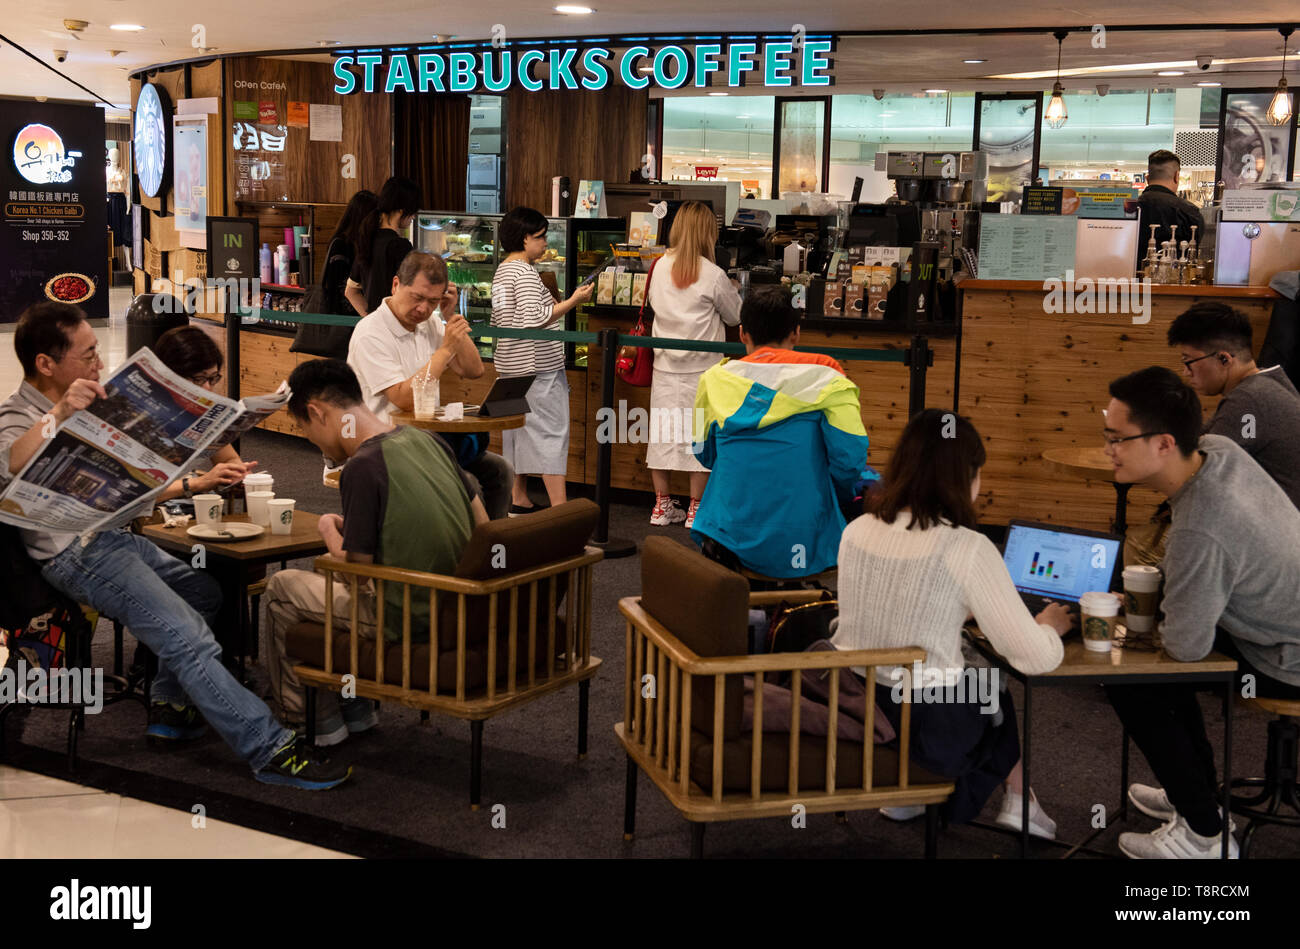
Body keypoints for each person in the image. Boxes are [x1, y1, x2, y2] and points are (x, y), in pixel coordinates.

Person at [0, 302, 347, 789]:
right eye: (88, 355)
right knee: (189, 638)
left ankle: (171, 704)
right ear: (45, 363)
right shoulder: (16, 415)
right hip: (76, 552)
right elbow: (15, 463)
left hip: (113, 538)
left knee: (204, 593)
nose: (99, 363)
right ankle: (270, 749)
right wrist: (60, 412)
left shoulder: (95, 399)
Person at [831, 409, 1072, 836]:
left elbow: (890, 606)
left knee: (972, 676)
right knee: (988, 683)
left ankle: (915, 801)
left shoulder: (857, 530)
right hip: (924, 726)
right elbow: (1035, 659)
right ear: (965, 477)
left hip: (857, 702)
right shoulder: (968, 547)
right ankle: (1019, 799)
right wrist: (1052, 626)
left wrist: (953, 605)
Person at [1101, 367, 1300, 858]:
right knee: (1157, 667)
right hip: (1283, 620)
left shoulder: (1200, 529)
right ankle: (1200, 799)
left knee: (1135, 678)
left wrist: (1134, 626)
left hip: (1289, 657)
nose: (1108, 450)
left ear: (1165, 443)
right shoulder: (1219, 451)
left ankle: (1206, 835)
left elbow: (1185, 648)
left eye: (1117, 439)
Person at [263, 359, 487, 741]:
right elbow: (483, 526)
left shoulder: (362, 467)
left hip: (409, 614)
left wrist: (327, 530)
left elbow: (357, 571)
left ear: (316, 412)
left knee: (281, 590)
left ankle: (306, 721)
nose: (311, 440)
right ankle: (355, 705)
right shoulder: (425, 438)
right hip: (459, 600)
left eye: (304, 428)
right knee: (320, 580)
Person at [691, 285, 875, 577]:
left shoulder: (712, 381)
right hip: (805, 536)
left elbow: (704, 453)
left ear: (742, 334)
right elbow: (849, 460)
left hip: (726, 538)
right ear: (796, 333)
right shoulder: (829, 377)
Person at [347, 250, 513, 519]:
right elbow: (403, 399)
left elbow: (473, 370)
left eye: (433, 302)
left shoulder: (432, 322)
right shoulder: (371, 332)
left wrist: (449, 317)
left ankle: (493, 553)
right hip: (385, 446)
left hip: (427, 442)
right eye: (417, 298)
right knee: (466, 485)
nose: (423, 309)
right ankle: (463, 555)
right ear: (396, 284)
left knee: (501, 470)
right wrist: (445, 351)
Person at [642, 200, 741, 527]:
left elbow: (654, 306)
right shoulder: (713, 274)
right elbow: (735, 315)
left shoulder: (657, 268)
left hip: (665, 365)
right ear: (706, 233)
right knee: (700, 436)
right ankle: (696, 508)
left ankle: (661, 506)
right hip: (703, 370)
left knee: (663, 435)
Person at [490, 207, 593, 515]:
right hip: (538, 368)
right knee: (551, 432)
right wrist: (573, 301)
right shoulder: (524, 273)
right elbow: (535, 318)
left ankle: (518, 497)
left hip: (508, 365)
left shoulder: (501, 270)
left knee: (516, 432)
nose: (545, 242)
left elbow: (501, 319)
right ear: (524, 239)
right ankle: (560, 510)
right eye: (540, 237)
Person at [1167, 301, 1300, 508]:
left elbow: (1201, 469)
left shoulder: (1250, 399)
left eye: (1188, 361)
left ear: (1224, 359)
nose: (1185, 372)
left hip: (1276, 532)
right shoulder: (1268, 383)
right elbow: (1204, 440)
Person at [152, 325, 257, 502]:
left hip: (190, 509)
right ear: (170, 374)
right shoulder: (142, 410)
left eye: (213, 378)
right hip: (145, 517)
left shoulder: (203, 413)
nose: (207, 387)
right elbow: (130, 496)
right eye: (199, 379)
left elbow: (229, 458)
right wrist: (197, 483)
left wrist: (236, 472)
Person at [294, 188, 377, 358]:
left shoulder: (356, 243)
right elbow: (337, 287)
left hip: (352, 324)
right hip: (343, 325)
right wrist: (362, 313)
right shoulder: (342, 244)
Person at [345, 176, 420, 318]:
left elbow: (350, 291)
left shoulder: (367, 239)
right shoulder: (400, 246)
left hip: (375, 330)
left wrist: (370, 320)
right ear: (401, 211)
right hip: (395, 330)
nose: (413, 217)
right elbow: (411, 294)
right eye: (413, 212)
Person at [1136, 149, 1204, 266]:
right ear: (1177, 176)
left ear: (1147, 179)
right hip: (1173, 281)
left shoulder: (1128, 207)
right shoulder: (1189, 211)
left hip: (1126, 280)